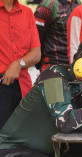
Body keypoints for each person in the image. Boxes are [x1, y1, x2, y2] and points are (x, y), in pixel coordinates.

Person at [0, 0, 41, 129]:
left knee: (23, 136)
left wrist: (18, 63)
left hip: (24, 85)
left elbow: (36, 54)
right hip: (2, 85)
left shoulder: (27, 12)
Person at [34, 0, 81, 71]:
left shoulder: (77, 3)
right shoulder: (47, 6)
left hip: (76, 65)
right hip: (53, 66)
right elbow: (35, 39)